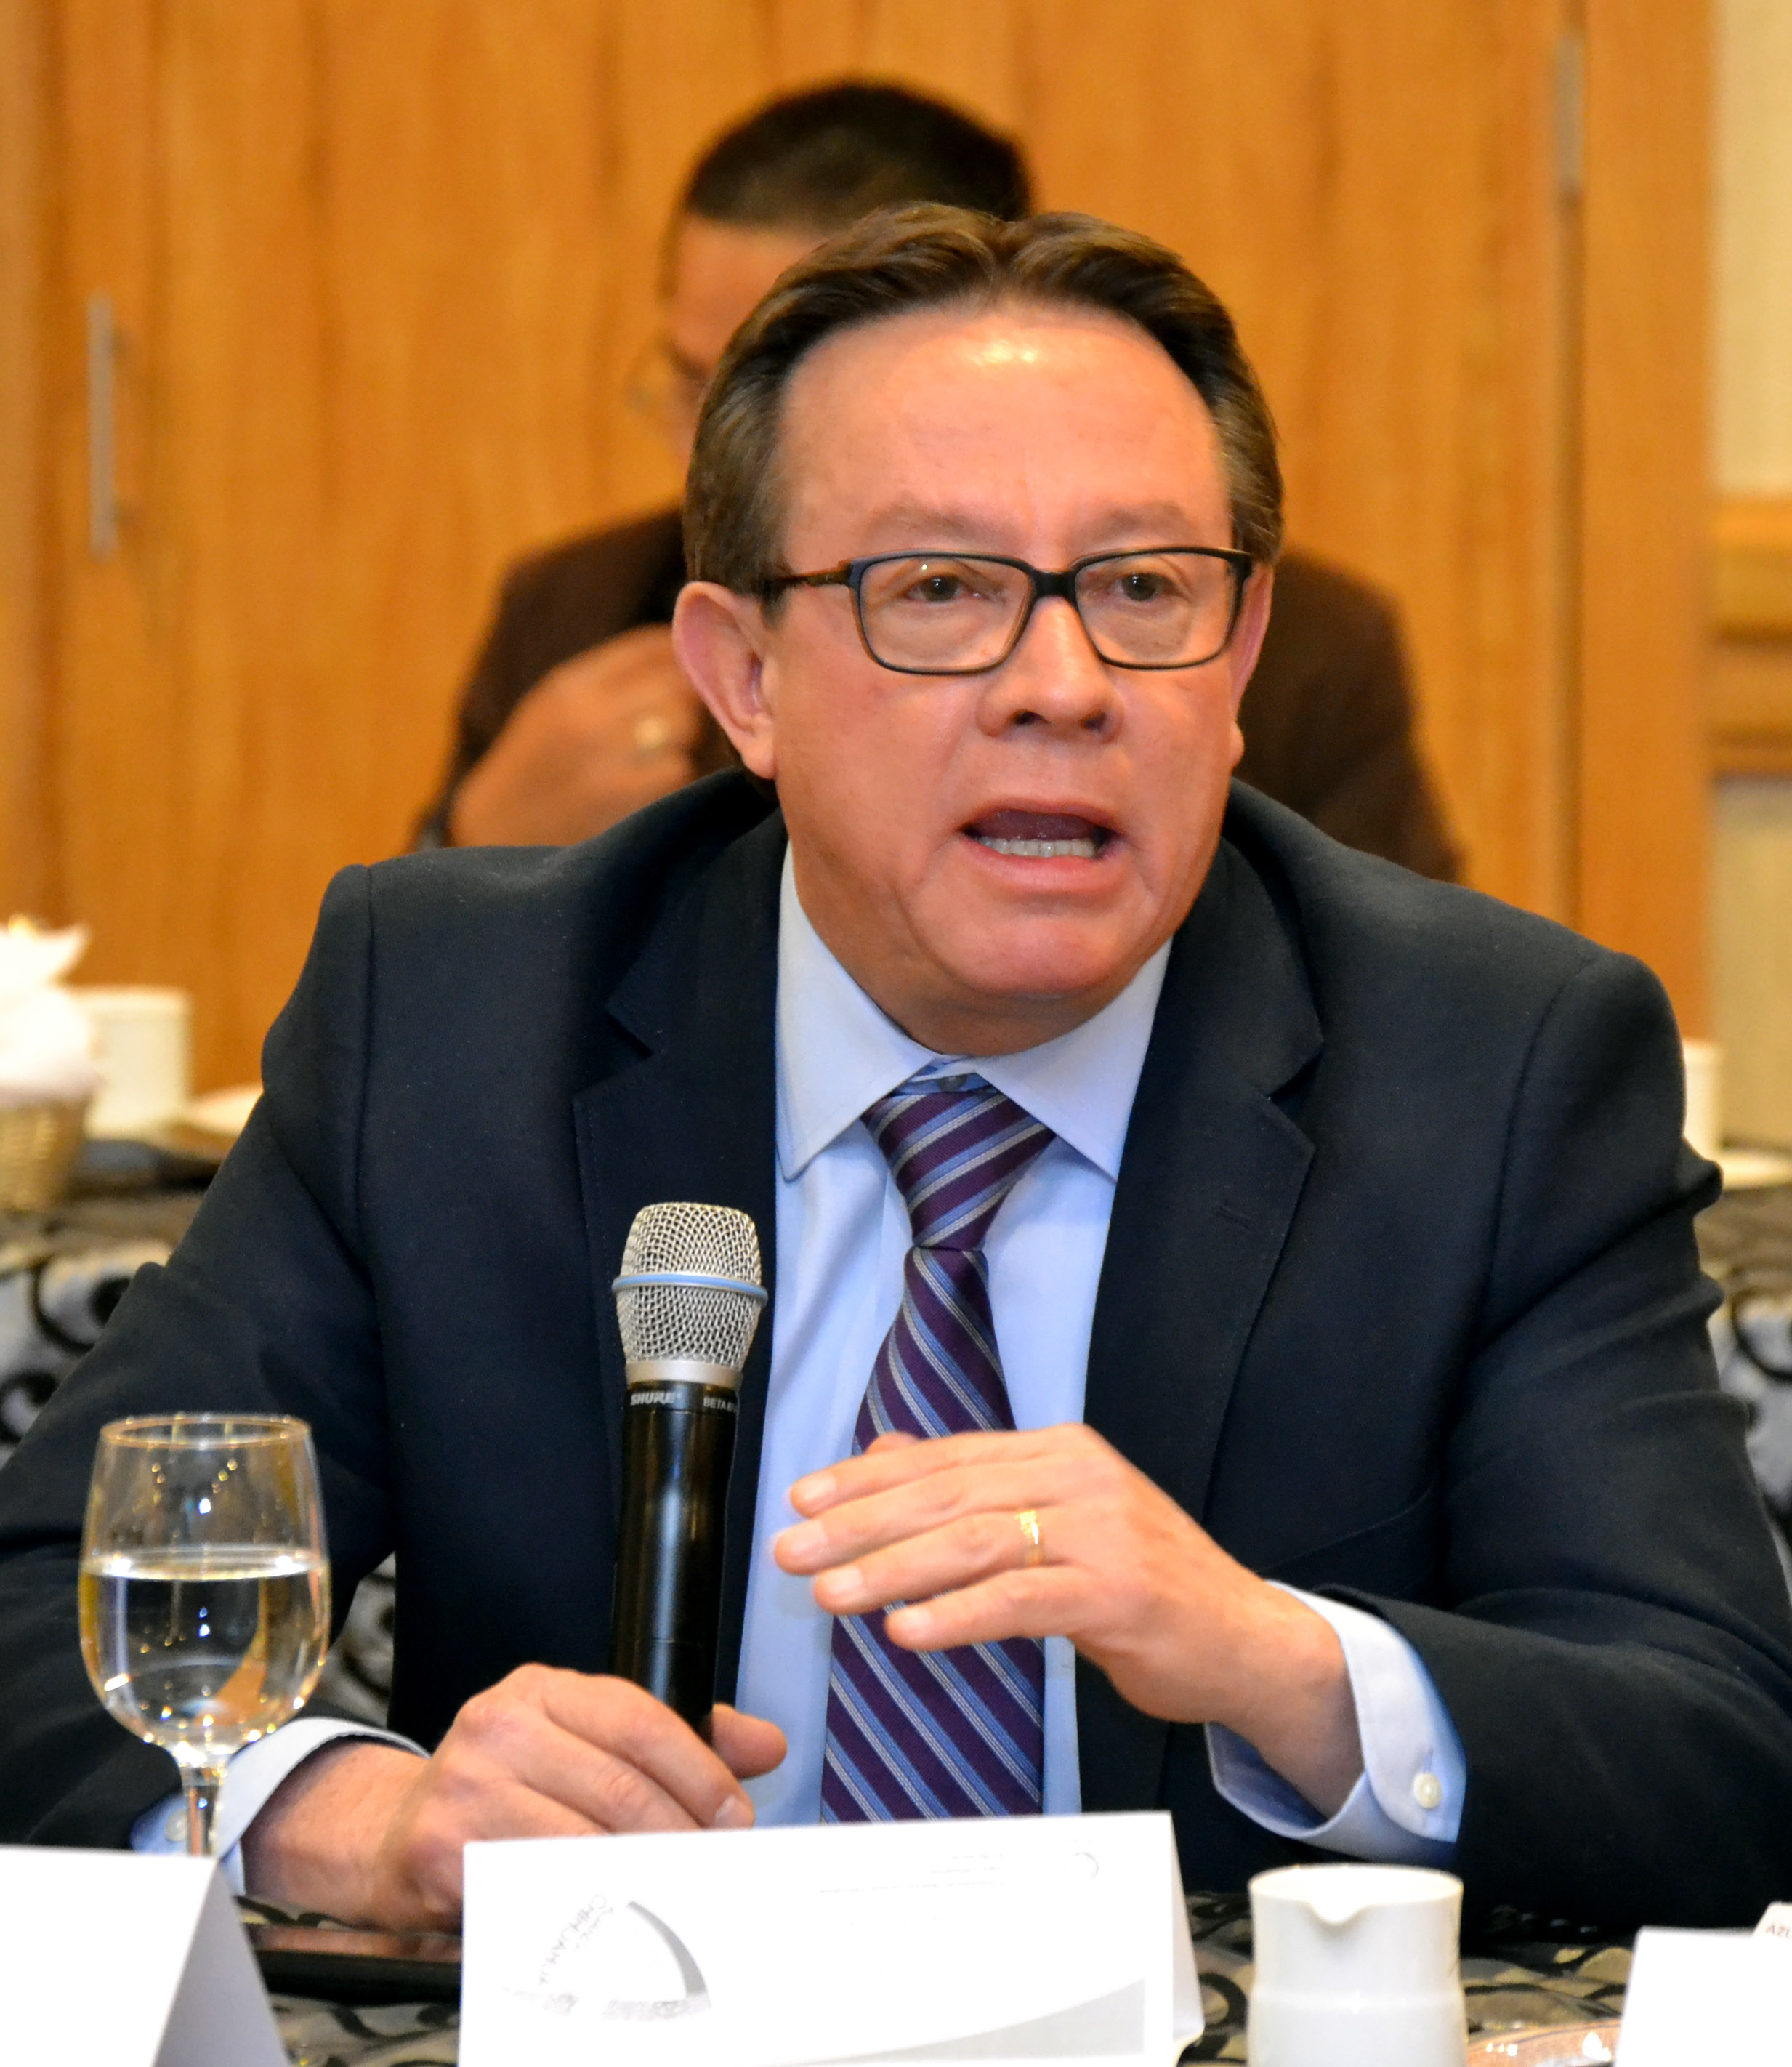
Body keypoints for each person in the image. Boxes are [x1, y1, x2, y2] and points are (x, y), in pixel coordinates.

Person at [4, 208, 1787, 1940]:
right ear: (744, 678)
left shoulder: (1494, 1068)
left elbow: (1715, 1753)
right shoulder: (457, 1028)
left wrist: (1272, 1656)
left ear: (1241, 659)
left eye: (1145, 588)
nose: (1063, 684)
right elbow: (44, 1607)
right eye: (938, 590)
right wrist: (367, 1826)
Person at [423, 82, 1461, 883]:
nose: (718, 448)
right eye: (699, 383)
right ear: (732, 663)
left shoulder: (1295, 650)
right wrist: (479, 844)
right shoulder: (570, 610)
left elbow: (1400, 1013)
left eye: (786, 375)